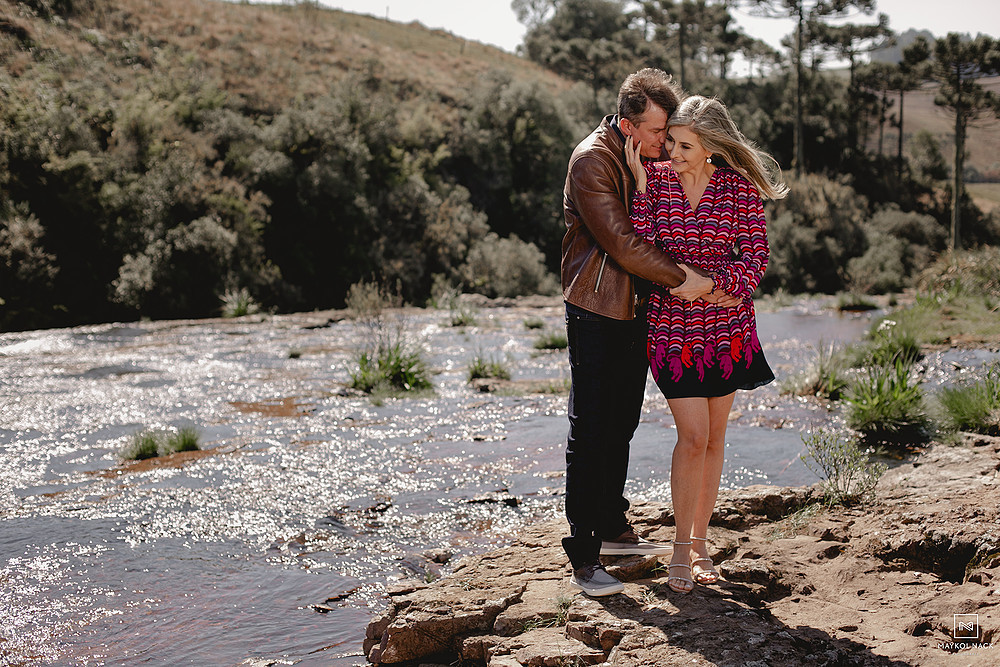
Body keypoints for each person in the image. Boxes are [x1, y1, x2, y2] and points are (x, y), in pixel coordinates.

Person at [561, 69, 738, 597]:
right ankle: (584, 554)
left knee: (622, 422)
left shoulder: (648, 158)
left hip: (638, 308)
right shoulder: (591, 159)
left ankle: (613, 527)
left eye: (669, 133)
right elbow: (623, 243)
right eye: (660, 132)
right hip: (597, 307)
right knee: (591, 428)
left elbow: (671, 216)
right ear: (627, 124)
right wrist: (692, 281)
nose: (667, 143)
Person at [626, 94, 788, 594]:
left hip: (727, 330)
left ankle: (700, 541)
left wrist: (709, 285)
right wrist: (637, 184)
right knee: (692, 436)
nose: (671, 151)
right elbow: (641, 247)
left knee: (716, 439)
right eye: (670, 140)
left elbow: (755, 262)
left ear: (711, 148)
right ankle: (679, 548)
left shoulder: (738, 191)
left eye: (683, 144)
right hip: (671, 329)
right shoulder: (654, 183)